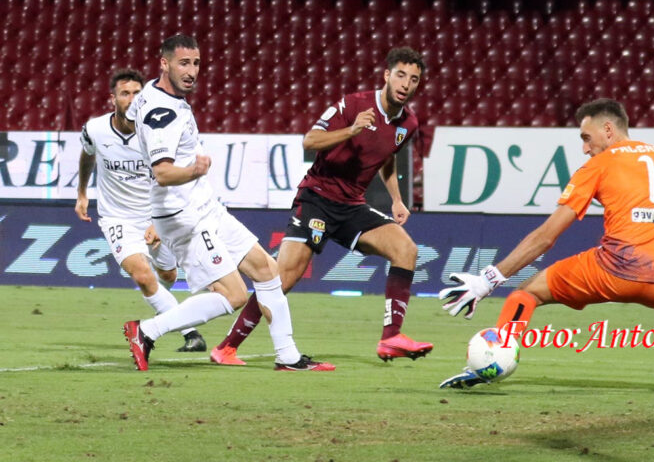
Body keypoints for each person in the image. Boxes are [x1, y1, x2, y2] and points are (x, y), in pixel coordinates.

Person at [439, 98, 654, 391]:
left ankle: (492, 359)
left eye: (587, 138)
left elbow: (546, 236)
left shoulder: (598, 166)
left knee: (526, 293)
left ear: (609, 130)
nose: (585, 148)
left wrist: (488, 279)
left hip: (614, 273)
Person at [122, 34, 333, 372]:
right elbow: (162, 172)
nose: (192, 71)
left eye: (196, 64)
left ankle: (288, 356)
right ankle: (146, 331)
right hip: (183, 213)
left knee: (266, 269)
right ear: (164, 64)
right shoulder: (163, 112)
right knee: (233, 295)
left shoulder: (150, 94)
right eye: (183, 63)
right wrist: (193, 169)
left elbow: (130, 120)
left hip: (204, 204)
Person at [209, 47, 433, 365]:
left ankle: (391, 338)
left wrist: (396, 198)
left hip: (352, 206)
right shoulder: (353, 105)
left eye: (413, 79)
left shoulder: (408, 123)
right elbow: (309, 141)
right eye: (400, 75)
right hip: (317, 199)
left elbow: (387, 157)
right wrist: (352, 129)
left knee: (406, 250)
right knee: (281, 279)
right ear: (387, 75)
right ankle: (226, 348)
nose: (406, 84)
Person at [75, 68, 206, 353]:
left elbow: (173, 175)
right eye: (125, 93)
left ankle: (168, 310)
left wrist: (159, 223)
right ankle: (191, 332)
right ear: (113, 99)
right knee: (143, 275)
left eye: (137, 93)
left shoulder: (157, 132)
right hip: (117, 217)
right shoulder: (95, 129)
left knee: (168, 276)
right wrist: (82, 192)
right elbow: (88, 153)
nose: (132, 99)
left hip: (156, 216)